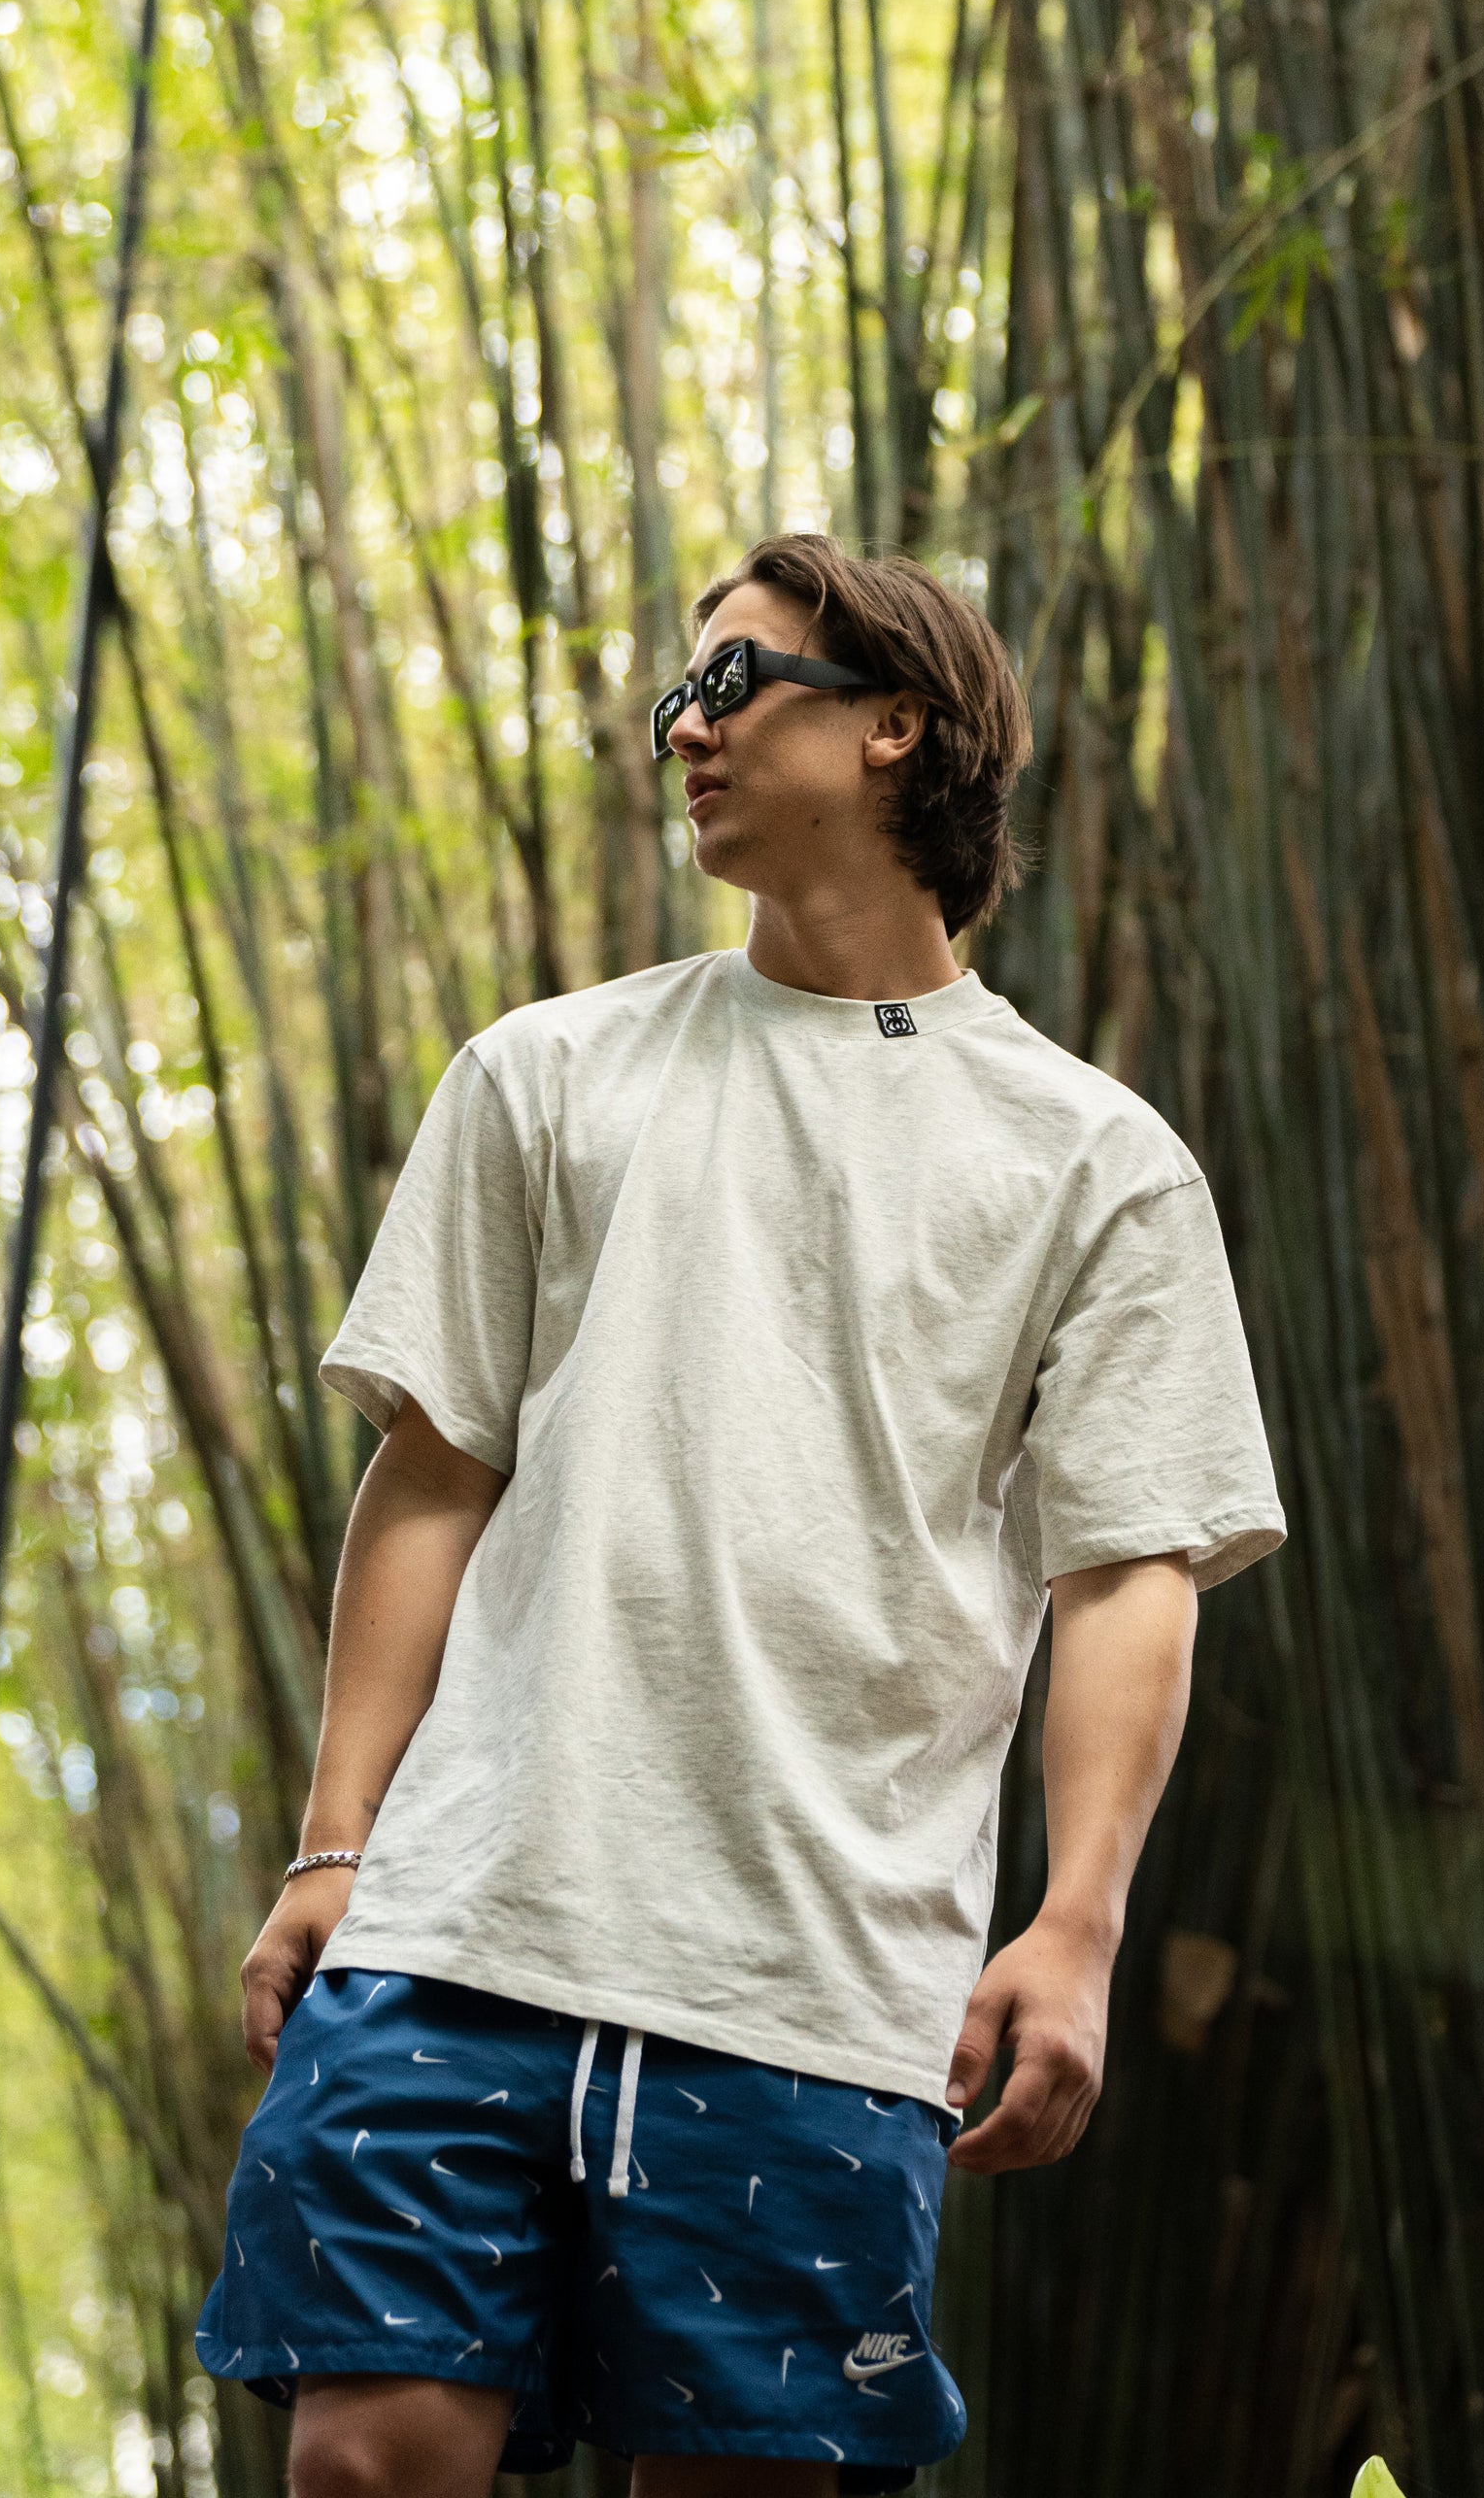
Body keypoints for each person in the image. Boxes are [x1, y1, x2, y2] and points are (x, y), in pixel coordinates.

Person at [195, 534, 1285, 2495]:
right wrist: (333, 1839)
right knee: (363, 2455)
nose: (682, 731)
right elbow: (431, 1471)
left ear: (896, 725)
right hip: (466, 1918)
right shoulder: (547, 1072)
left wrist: (1077, 1926)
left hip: (814, 1975)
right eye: (673, 697)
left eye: (730, 682)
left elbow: (1127, 1571)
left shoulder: (1095, 1162)